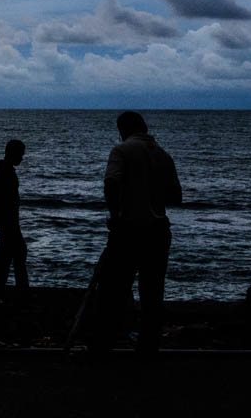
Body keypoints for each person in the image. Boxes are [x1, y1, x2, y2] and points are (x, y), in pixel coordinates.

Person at [91, 111, 182, 353]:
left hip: (129, 229)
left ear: (123, 129)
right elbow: (176, 196)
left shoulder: (121, 151)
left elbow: (111, 182)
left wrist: (115, 215)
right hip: (159, 230)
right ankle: (148, 348)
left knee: (113, 290)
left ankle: (102, 346)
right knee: (153, 292)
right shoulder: (163, 155)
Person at [0, 138, 28, 296]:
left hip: (5, 218)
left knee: (6, 254)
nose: (22, 158)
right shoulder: (5, 170)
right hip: (8, 219)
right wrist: (0, 206)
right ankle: (19, 290)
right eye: (20, 154)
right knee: (17, 252)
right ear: (12, 153)